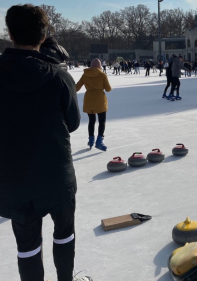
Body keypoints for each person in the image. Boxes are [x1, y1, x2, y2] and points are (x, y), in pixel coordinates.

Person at [0, 4, 95, 281]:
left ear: (10, 33)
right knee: (64, 233)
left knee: (27, 245)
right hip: (55, 175)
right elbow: (74, 123)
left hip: (13, 177)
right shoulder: (58, 76)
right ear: (43, 37)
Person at [76, 58, 112, 151]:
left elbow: (76, 87)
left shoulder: (85, 74)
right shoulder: (102, 74)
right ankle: (99, 140)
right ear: (99, 66)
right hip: (99, 99)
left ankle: (91, 139)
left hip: (88, 99)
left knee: (91, 120)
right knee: (102, 121)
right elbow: (108, 89)